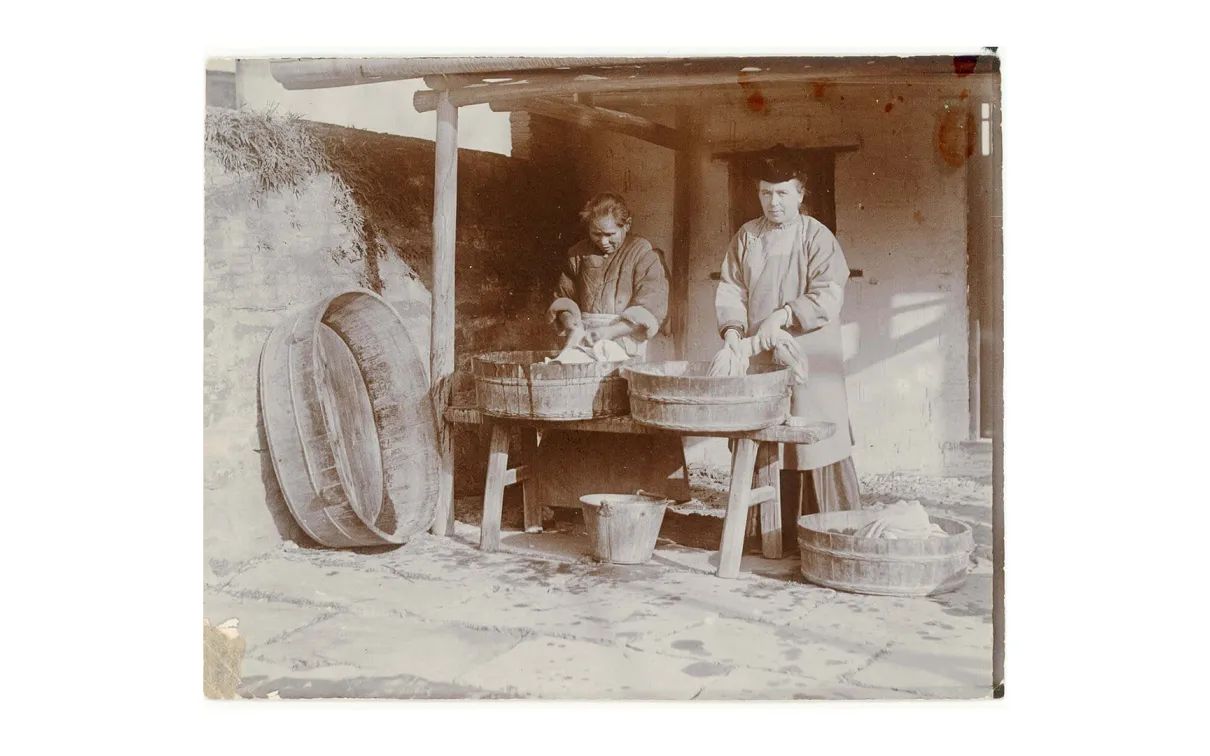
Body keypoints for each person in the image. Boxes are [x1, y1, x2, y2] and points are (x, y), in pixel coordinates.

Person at [715, 156, 861, 551]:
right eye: (765, 193)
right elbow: (731, 288)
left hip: (810, 354)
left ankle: (827, 533)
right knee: (763, 435)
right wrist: (732, 332)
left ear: (800, 193)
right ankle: (767, 536)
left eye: (782, 193)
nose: (773, 202)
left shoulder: (817, 237)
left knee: (812, 438)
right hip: (761, 355)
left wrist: (785, 314)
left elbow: (828, 292)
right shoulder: (747, 236)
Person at [535, 193, 692, 514]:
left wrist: (607, 333)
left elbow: (651, 305)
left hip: (629, 341)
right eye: (596, 234)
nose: (604, 241)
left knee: (628, 416)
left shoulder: (644, 254)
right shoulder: (577, 255)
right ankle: (566, 497)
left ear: (626, 226)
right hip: (587, 341)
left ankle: (643, 498)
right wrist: (573, 322)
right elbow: (563, 297)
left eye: (611, 234)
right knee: (580, 410)